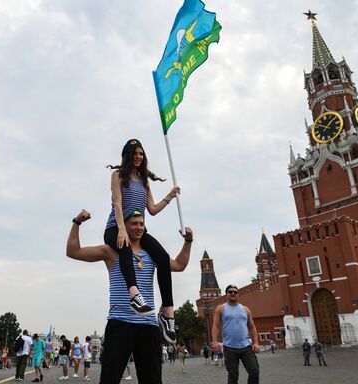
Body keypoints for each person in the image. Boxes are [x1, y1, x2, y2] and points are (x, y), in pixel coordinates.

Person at [66, 208, 193, 383]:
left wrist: (188, 241)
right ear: (123, 226)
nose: (139, 227)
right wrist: (77, 222)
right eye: (134, 224)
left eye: (141, 224)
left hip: (148, 325)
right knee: (109, 379)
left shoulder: (153, 254)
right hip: (120, 323)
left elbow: (179, 265)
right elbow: (73, 251)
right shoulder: (110, 251)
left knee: (153, 380)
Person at [104, 138, 181, 344]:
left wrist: (170, 196)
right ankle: (134, 295)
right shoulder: (118, 176)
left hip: (139, 229)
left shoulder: (143, 180)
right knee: (125, 248)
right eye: (135, 153)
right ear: (127, 155)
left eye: (141, 153)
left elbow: (152, 210)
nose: (138, 157)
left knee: (163, 258)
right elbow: (118, 204)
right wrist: (121, 229)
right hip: (116, 227)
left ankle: (168, 313)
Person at [212, 285, 260, 384]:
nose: (233, 294)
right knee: (233, 375)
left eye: (235, 292)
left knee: (254, 371)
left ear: (238, 295)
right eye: (230, 292)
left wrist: (255, 343)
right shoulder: (221, 308)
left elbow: (252, 327)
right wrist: (215, 341)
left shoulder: (246, 309)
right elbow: (216, 326)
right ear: (227, 294)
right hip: (230, 348)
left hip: (246, 346)